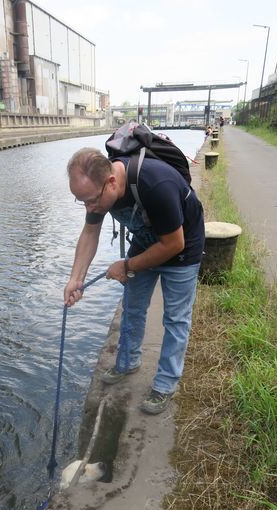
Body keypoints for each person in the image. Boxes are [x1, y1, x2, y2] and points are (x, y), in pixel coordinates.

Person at [65, 148, 205, 415]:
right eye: (81, 202)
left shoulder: (156, 184)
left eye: (91, 201)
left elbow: (174, 244)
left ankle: (165, 384)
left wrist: (127, 266)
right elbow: (90, 231)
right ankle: (127, 362)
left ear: (112, 182)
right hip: (145, 242)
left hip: (182, 248)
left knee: (176, 319)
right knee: (132, 306)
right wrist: (75, 279)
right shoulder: (98, 193)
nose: (89, 208)